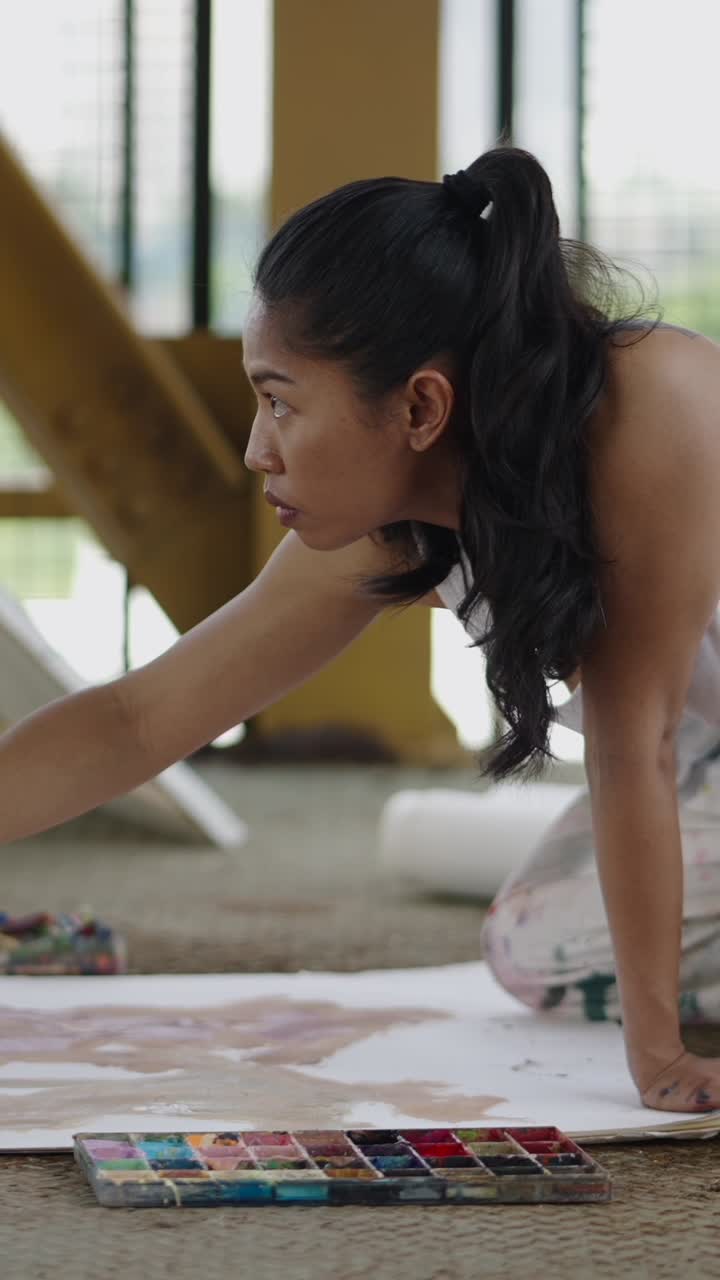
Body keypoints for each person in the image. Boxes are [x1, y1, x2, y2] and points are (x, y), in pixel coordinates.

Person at [4, 144, 720, 1115]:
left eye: (279, 400)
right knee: (530, 944)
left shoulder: (652, 404)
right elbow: (139, 720)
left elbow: (635, 742)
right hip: (699, 756)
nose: (258, 449)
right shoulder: (390, 527)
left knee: (639, 936)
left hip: (672, 746)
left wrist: (659, 1055)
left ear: (422, 405)